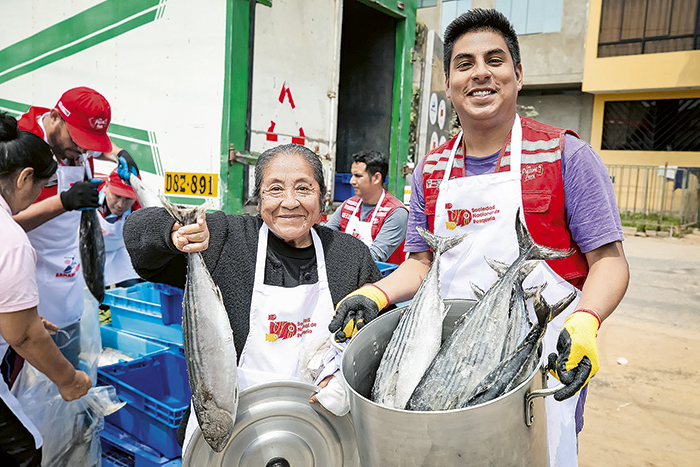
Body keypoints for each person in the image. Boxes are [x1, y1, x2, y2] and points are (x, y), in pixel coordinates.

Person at [328, 9, 629, 466]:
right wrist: (376, 293)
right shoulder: (432, 169)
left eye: (495, 60)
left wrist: (587, 319)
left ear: (518, 75)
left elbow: (609, 261)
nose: (481, 73)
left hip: (537, 360)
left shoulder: (565, 155)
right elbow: (422, 263)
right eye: (464, 64)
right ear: (449, 84)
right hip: (450, 356)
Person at [122, 143, 382, 452]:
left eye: (303, 188)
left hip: (321, 439)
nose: (290, 202)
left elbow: (375, 342)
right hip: (229, 438)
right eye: (275, 189)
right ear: (258, 199)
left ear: (322, 196)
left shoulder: (350, 255)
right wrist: (174, 232)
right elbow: (138, 235)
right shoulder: (224, 238)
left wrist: (343, 377)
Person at [12, 87, 140, 366]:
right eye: (78, 139)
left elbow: (98, 147)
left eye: (89, 142)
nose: (83, 149)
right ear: (55, 117)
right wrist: (64, 202)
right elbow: (6, 227)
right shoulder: (20, 146)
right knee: (31, 368)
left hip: (68, 276)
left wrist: (119, 153)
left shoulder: (69, 140)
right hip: (26, 280)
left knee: (70, 365)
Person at [0, 113, 92, 466]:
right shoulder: (12, 240)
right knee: (26, 449)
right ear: (24, 177)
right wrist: (69, 379)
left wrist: (21, 315)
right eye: (40, 187)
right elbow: (23, 336)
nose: (39, 196)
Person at [325, 150, 408, 262]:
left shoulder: (395, 213)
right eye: (352, 175)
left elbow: (374, 257)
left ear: (376, 178)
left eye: (358, 176)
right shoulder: (348, 205)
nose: (351, 181)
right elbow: (324, 237)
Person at [97, 168, 141, 288]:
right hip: (92, 249)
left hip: (121, 251)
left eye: (128, 199)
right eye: (116, 196)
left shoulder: (140, 209)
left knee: (131, 286)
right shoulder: (89, 193)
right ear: (106, 186)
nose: (120, 205)